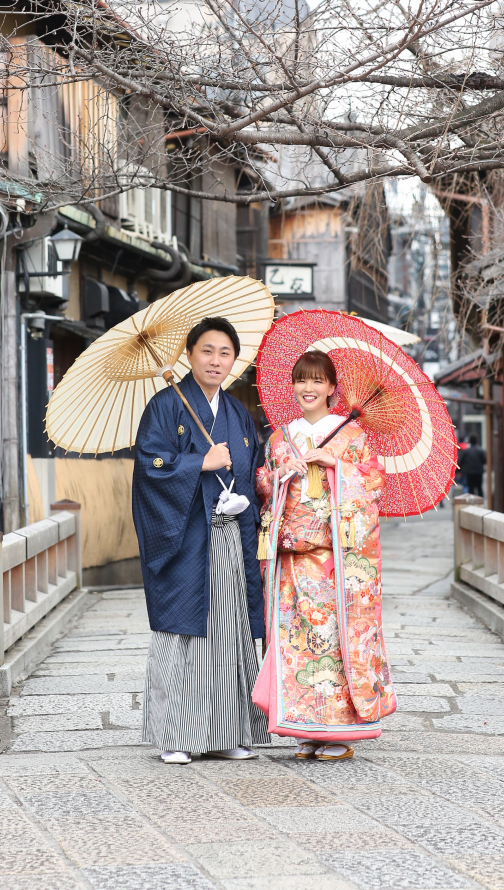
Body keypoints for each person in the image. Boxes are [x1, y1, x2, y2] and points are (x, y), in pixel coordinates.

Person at [133, 316, 269, 764]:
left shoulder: (238, 414)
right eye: (207, 350)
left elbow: (250, 475)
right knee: (183, 632)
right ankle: (176, 735)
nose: (215, 360)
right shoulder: (165, 406)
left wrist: (263, 488)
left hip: (231, 537)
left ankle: (228, 730)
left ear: (234, 360)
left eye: (225, 352)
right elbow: (149, 464)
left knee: (229, 628)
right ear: (188, 355)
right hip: (185, 535)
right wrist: (199, 463)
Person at [253, 349, 396, 761]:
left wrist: (335, 464)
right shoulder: (281, 438)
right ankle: (306, 728)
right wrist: (279, 476)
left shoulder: (350, 436)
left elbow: (372, 484)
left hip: (334, 561)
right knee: (297, 642)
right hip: (292, 559)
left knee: (333, 643)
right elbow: (263, 485)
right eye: (302, 380)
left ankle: (340, 732)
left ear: (333, 388)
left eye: (318, 380)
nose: (308, 387)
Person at [458, 433, 486, 498]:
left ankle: (472, 504)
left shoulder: (466, 451)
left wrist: (458, 471)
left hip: (469, 472)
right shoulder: (480, 450)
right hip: (479, 472)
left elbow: (461, 462)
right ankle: (481, 502)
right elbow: (484, 461)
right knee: (479, 488)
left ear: (469, 441)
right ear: (477, 440)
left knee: (471, 489)